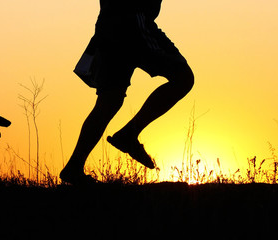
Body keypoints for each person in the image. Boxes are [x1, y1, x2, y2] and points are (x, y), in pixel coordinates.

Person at [60, 0, 194, 185]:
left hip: (109, 26)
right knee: (183, 78)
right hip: (132, 22)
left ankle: (74, 166)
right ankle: (128, 134)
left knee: (110, 100)